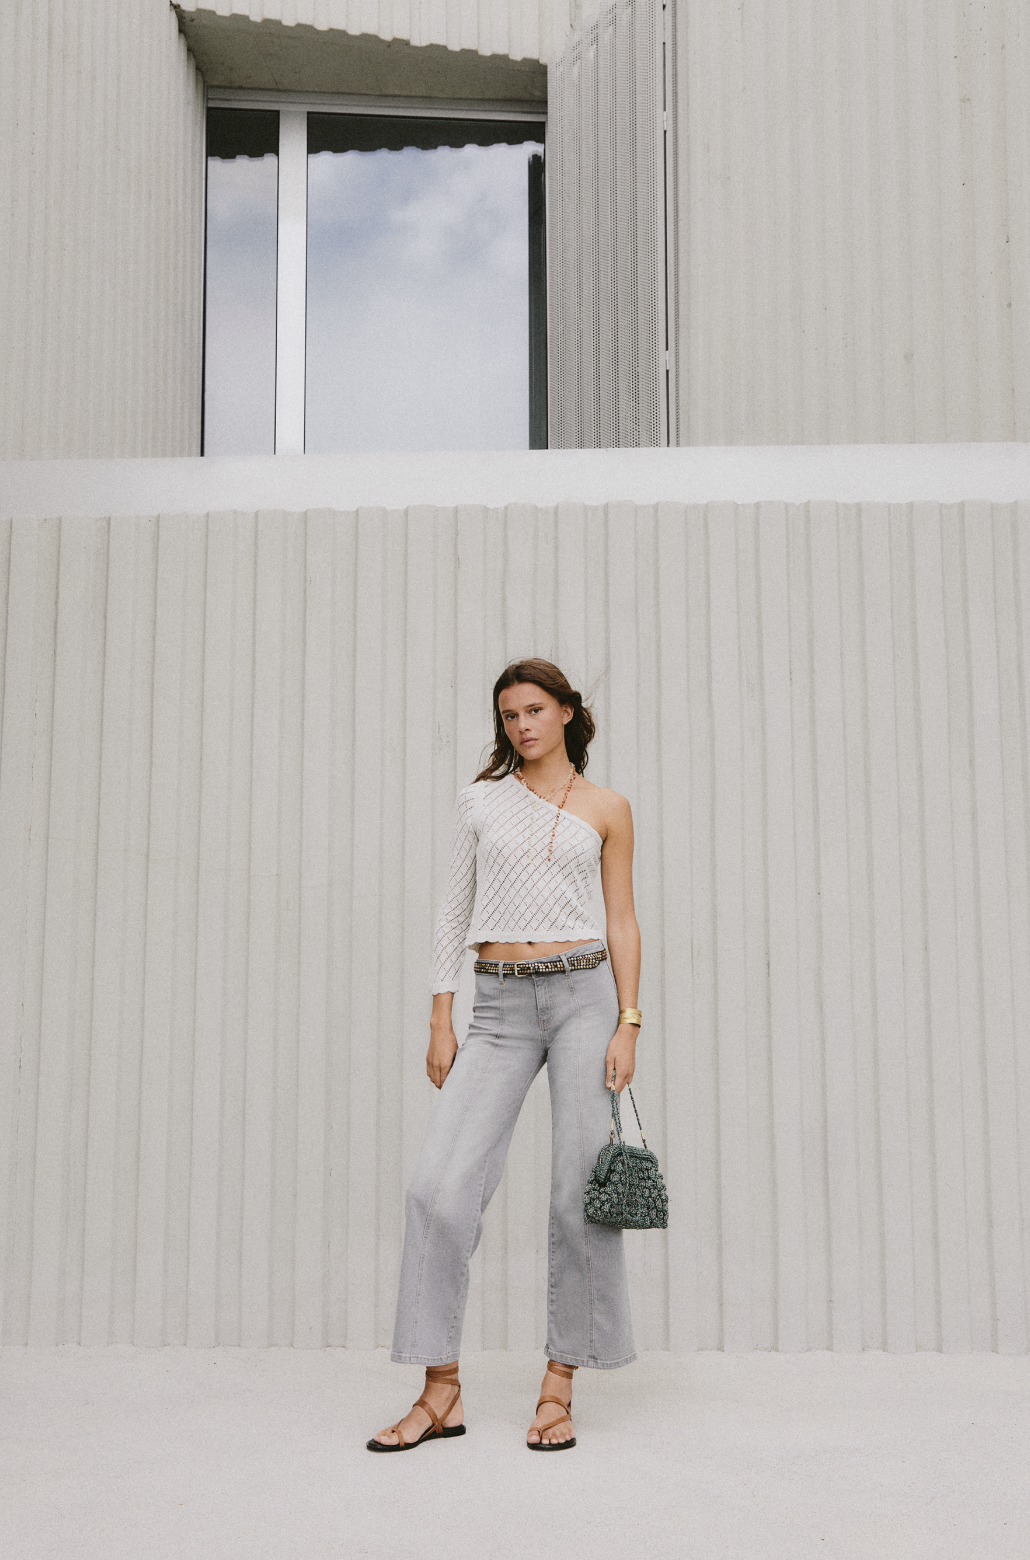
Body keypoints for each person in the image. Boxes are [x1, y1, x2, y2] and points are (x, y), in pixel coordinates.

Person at [367, 658, 642, 1453]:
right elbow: (453, 908)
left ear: (566, 713)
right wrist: (441, 1013)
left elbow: (621, 920)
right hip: (497, 1004)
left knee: (577, 1193)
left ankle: (560, 1384)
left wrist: (628, 1021)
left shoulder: (608, 807)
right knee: (438, 1189)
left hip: (586, 997)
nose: (522, 725)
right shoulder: (482, 800)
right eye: (510, 715)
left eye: (535, 710)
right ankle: (440, 1390)